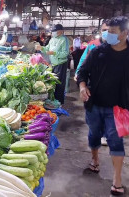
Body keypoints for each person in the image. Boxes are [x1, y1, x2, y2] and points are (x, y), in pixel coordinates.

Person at [77, 16, 129, 196]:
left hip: (118, 108)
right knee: (94, 134)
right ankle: (95, 159)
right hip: (95, 104)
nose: (108, 35)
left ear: (124, 33)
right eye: (107, 31)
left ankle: (117, 180)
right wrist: (83, 87)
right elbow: (82, 72)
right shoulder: (98, 52)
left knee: (116, 141)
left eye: (113, 32)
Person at [36, 24, 69, 104]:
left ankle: (59, 101)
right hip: (53, 64)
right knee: (54, 82)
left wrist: (54, 53)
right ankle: (54, 99)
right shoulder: (52, 39)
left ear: (60, 31)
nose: (53, 33)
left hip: (61, 64)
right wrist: (41, 48)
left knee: (60, 83)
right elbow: (47, 49)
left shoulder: (64, 39)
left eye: (55, 31)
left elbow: (65, 53)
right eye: (53, 31)